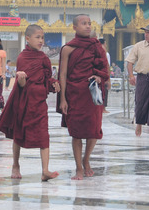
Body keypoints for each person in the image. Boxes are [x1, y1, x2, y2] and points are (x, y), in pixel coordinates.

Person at [0, 24, 60, 181]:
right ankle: (15, 165)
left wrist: (53, 84)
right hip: (24, 102)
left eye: (42, 38)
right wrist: (22, 80)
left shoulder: (44, 58)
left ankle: (45, 170)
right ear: (28, 39)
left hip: (40, 103)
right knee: (19, 134)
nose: (41, 41)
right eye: (37, 37)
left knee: (44, 135)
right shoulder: (23, 57)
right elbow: (22, 84)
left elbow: (45, 78)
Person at [57, 15, 109, 180]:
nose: (87, 26)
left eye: (89, 23)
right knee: (77, 133)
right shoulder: (68, 48)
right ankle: (78, 167)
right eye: (83, 24)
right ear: (74, 27)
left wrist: (100, 76)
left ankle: (86, 160)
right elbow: (63, 74)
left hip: (92, 93)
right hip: (74, 94)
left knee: (94, 130)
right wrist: (63, 99)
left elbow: (103, 68)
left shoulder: (96, 46)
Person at [99, 38, 111, 114]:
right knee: (104, 92)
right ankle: (103, 108)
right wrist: (108, 78)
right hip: (103, 75)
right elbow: (107, 66)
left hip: (98, 74)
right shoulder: (106, 53)